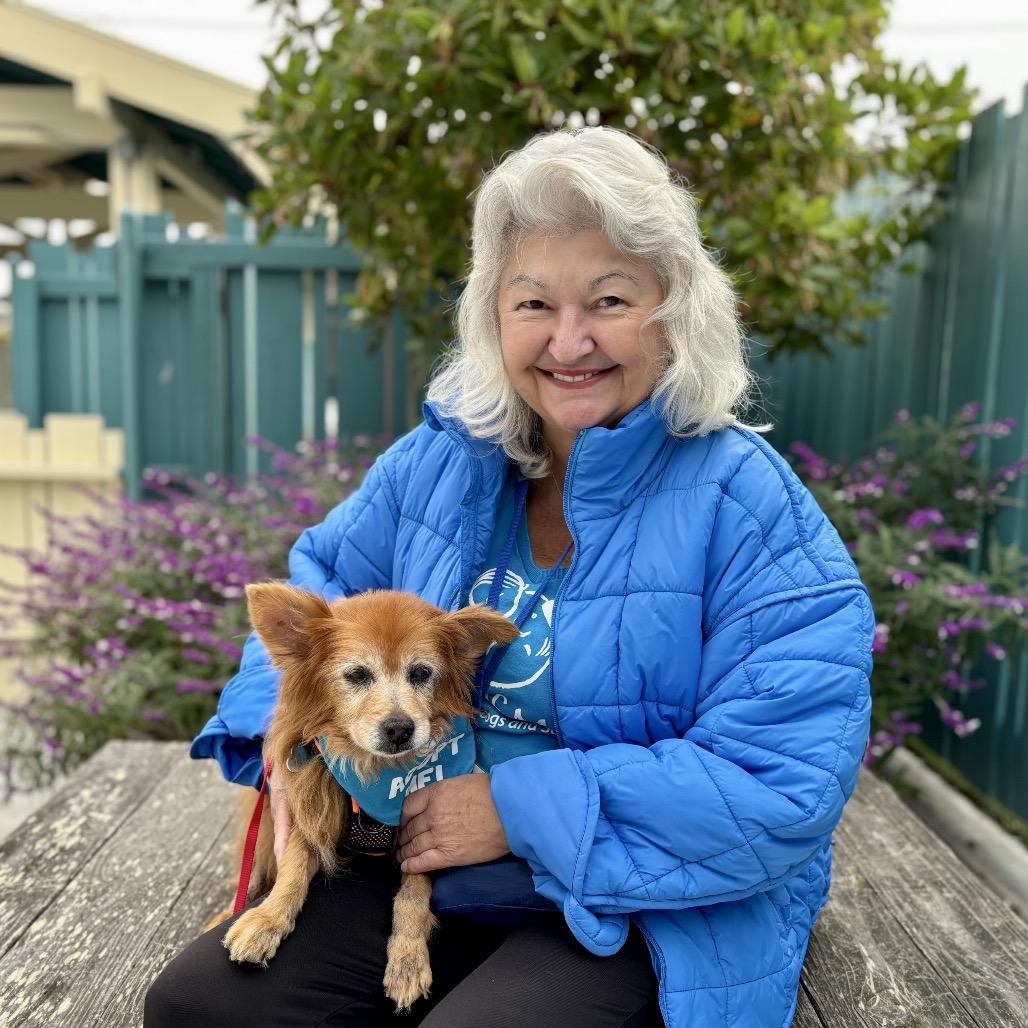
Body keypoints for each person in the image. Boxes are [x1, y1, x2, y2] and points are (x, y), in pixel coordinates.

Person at [145, 125, 874, 1028]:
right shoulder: (444, 464)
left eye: (609, 299)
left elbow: (781, 781)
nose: (569, 341)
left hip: (643, 897)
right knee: (202, 1010)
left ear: (674, 309)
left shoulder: (750, 508)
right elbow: (320, 584)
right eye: (533, 303)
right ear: (493, 316)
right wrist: (279, 723)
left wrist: (517, 810)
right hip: (421, 862)